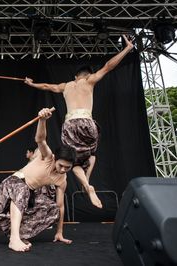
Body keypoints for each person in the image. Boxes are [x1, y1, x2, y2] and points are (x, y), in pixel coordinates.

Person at [24, 35, 134, 209]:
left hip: (70, 125)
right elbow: (108, 66)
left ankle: (87, 184)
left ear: (76, 76)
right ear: (87, 75)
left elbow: (46, 86)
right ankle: (87, 181)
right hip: (88, 124)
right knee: (90, 156)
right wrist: (127, 49)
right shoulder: (89, 81)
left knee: (74, 162)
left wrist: (31, 84)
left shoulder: (65, 86)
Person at [0, 108, 76, 252]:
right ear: (56, 159)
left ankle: (20, 234)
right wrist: (43, 120)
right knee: (22, 189)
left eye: (68, 168)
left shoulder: (62, 180)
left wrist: (59, 232)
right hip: (12, 185)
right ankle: (14, 240)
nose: (63, 170)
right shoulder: (48, 157)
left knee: (54, 209)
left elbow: (61, 206)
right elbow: (40, 139)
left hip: (28, 196)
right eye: (61, 165)